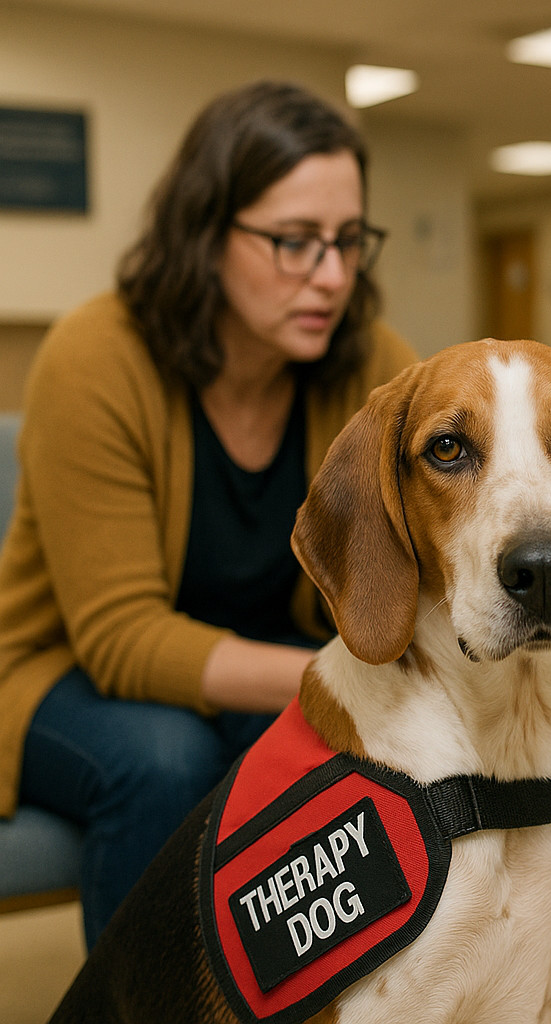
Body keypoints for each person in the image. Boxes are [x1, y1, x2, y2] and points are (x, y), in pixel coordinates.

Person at [0, 80, 417, 948]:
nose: (332, 276)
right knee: (166, 760)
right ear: (206, 234)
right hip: (63, 675)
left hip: (260, 670)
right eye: (294, 243)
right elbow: (120, 637)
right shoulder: (95, 356)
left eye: (348, 241)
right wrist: (349, 682)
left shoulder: (365, 360)